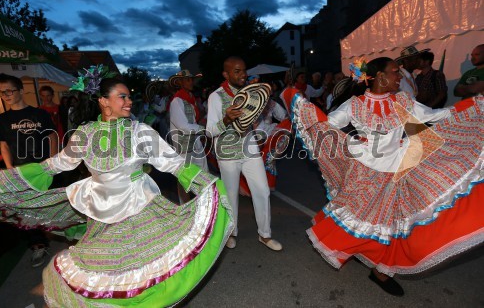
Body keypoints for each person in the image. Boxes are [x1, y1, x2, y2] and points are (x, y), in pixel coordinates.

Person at [0, 68, 233, 307]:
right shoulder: (85, 134)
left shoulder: (140, 131)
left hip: (139, 207)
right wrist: (11, 180)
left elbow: (174, 164)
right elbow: (56, 164)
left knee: (147, 271)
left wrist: (206, 182)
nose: (129, 102)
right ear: (103, 101)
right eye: (122, 97)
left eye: (128, 97)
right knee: (103, 275)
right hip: (101, 213)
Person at [280, 57, 483, 296]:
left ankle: (383, 271)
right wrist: (302, 110)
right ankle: (372, 261)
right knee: (359, 220)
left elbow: (435, 116)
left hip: (400, 169)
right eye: (396, 72)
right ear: (380, 77)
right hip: (366, 172)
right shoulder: (354, 106)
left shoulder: (403, 101)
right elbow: (326, 127)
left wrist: (474, 107)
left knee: (397, 223)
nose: (401, 77)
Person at [206, 56, 283, 251]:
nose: (243, 75)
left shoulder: (249, 93)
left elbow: (253, 120)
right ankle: (232, 232)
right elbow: (210, 131)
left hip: (249, 150)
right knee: (231, 196)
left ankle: (265, 235)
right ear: (226, 74)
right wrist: (226, 118)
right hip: (227, 153)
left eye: (244, 70)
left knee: (263, 191)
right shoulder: (216, 96)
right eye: (237, 71)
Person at [0, 74, 58, 268]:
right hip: (20, 172)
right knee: (26, 210)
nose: (5, 95)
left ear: (21, 91)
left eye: (9, 90)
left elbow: (52, 138)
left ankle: (54, 233)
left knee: (46, 207)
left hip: (41, 169)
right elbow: (3, 146)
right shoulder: (1, 120)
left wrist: (52, 163)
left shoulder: (40, 114)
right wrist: (10, 169)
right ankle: (38, 244)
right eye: (1, 92)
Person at [168, 70, 209, 204]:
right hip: (183, 144)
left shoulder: (191, 99)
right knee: (184, 178)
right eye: (187, 80)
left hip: (195, 141)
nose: (190, 82)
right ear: (179, 82)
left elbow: (193, 121)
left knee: (202, 173)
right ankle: (184, 207)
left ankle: (203, 204)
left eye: (191, 79)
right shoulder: (176, 101)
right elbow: (183, 126)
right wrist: (204, 129)